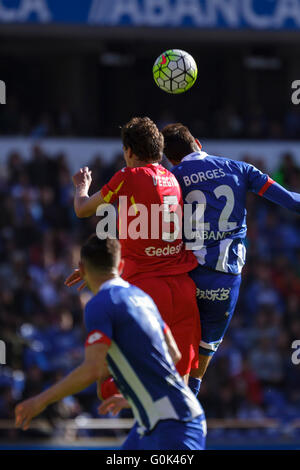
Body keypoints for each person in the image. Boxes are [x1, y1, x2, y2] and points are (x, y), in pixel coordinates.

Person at [15, 236, 206, 450]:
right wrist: (135, 397)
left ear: (81, 268)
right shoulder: (142, 297)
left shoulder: (99, 304)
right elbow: (173, 354)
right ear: (121, 265)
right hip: (163, 418)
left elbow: (92, 369)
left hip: (173, 425)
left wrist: (40, 400)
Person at [162, 122, 300, 393]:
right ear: (198, 143)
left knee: (172, 355)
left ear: (172, 157)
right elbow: (292, 202)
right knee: (198, 367)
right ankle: (189, 406)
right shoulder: (240, 169)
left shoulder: (171, 177)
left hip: (186, 278)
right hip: (225, 282)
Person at [66, 117, 200, 391]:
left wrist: (81, 185)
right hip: (184, 291)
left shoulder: (127, 177)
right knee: (180, 387)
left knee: (118, 382)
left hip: (147, 292)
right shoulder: (172, 180)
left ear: (128, 151)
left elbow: (82, 209)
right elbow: (144, 235)